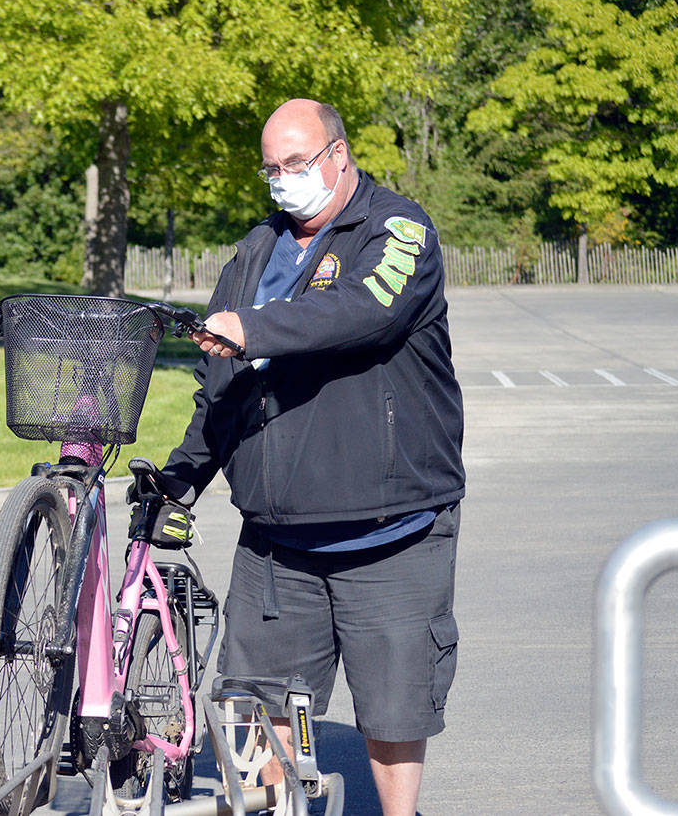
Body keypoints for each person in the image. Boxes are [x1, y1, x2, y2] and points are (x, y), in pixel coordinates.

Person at [157, 99, 465, 816]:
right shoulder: (255, 251)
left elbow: (365, 310)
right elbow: (222, 387)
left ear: (339, 154)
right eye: (271, 168)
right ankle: (274, 808)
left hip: (390, 527)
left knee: (393, 711)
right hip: (277, 539)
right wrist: (183, 477)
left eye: (296, 163)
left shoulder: (398, 229)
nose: (284, 180)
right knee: (251, 704)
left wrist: (253, 326)